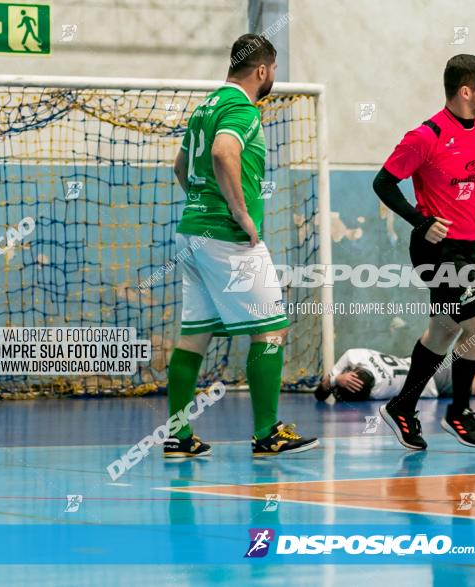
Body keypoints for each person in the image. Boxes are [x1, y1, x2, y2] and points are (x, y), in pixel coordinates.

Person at [163, 34, 318, 458]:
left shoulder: (205, 107)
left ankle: (178, 436)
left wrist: (203, 205)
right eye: (274, 72)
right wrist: (238, 212)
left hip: (193, 232)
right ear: (262, 70)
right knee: (271, 329)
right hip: (227, 239)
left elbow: (180, 165)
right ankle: (267, 433)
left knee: (194, 336)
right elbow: (223, 151)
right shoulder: (241, 108)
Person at [373, 54, 475, 450]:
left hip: (473, 246)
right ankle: (458, 411)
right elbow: (384, 183)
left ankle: (403, 407)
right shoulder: (427, 135)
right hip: (436, 248)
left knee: (445, 329)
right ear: (466, 91)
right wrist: (419, 221)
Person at [314, 348, 475, 402]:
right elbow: (322, 392)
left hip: (433, 377)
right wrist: (337, 379)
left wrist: (335, 380)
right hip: (423, 367)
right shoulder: (355, 355)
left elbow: (320, 393)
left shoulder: (376, 389)